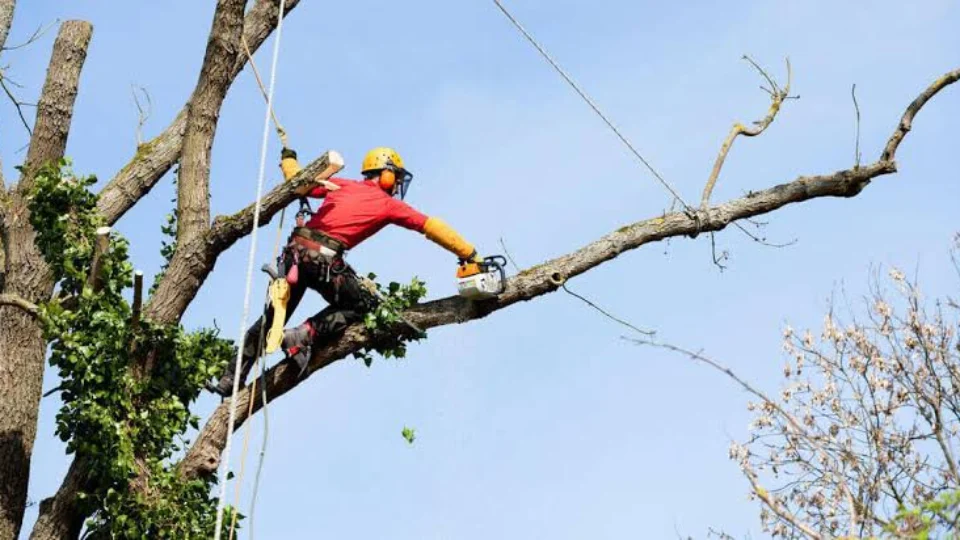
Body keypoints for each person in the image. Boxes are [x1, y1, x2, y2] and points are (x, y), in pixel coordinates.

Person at [208, 146, 484, 396]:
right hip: (322, 259)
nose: (397, 184)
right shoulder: (388, 203)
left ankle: (230, 377)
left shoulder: (340, 185)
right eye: (396, 177)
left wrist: (288, 160)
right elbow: (430, 226)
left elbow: (298, 182)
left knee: (271, 319)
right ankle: (304, 334)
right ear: (386, 174)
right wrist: (469, 252)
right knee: (365, 306)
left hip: (295, 255)